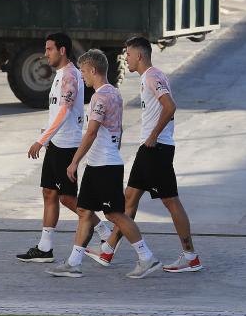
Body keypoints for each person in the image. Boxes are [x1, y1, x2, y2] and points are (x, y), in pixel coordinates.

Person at [85, 36, 202, 273]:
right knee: (129, 199)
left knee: (170, 200)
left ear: (139, 56)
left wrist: (153, 136)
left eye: (128, 54)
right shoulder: (148, 78)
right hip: (150, 148)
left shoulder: (152, 76)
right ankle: (108, 249)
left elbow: (170, 106)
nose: (125, 58)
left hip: (155, 149)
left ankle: (190, 256)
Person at [47, 49, 161, 278]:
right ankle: (74, 262)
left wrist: (73, 162)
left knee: (115, 214)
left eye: (83, 72)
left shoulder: (100, 97)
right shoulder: (114, 93)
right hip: (100, 163)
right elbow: (117, 129)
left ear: (93, 70)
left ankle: (147, 257)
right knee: (84, 210)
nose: (81, 77)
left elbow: (90, 133)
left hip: (104, 165)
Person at [17, 33, 110, 263]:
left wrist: (42, 140)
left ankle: (105, 231)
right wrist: (46, 135)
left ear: (62, 50)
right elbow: (56, 111)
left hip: (67, 145)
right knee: (49, 193)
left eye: (49, 49)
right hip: (55, 143)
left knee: (68, 198)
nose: (45, 53)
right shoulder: (60, 75)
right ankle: (45, 248)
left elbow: (65, 111)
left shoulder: (70, 75)